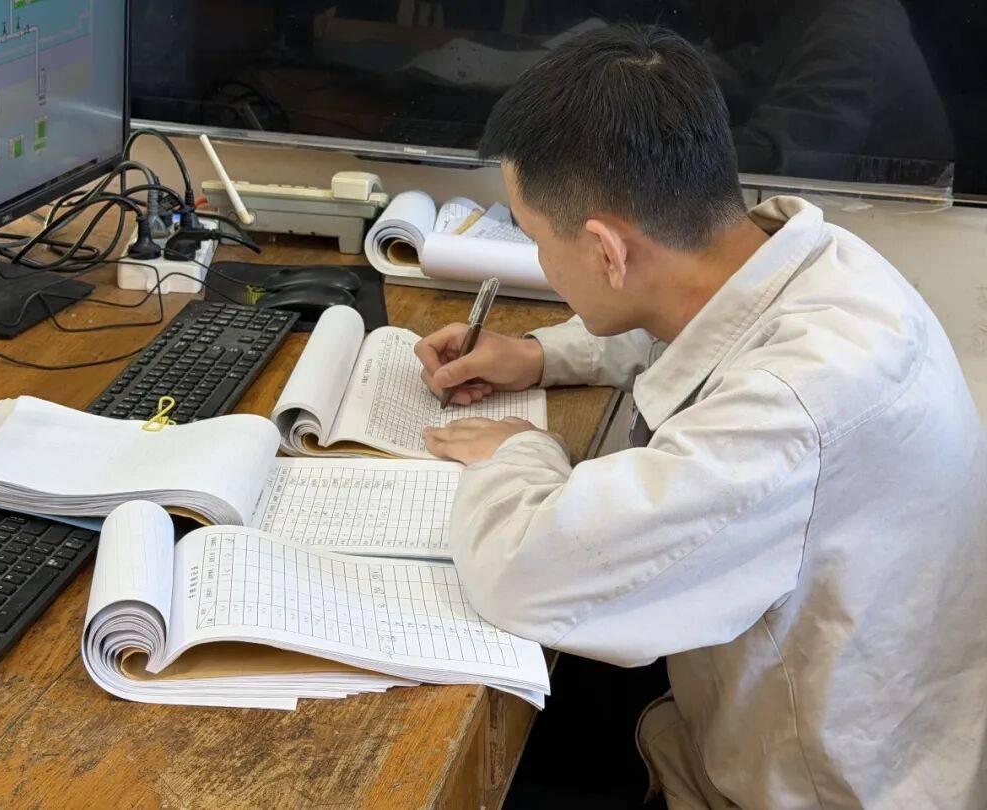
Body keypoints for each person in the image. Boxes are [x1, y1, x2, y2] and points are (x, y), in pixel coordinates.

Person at [414, 24, 987, 809]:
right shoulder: (814, 260)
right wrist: (541, 354)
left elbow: (526, 578)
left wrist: (518, 451)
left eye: (536, 237)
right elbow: (703, 323)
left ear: (607, 251)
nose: (540, 260)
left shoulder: (787, 410)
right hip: (839, 720)